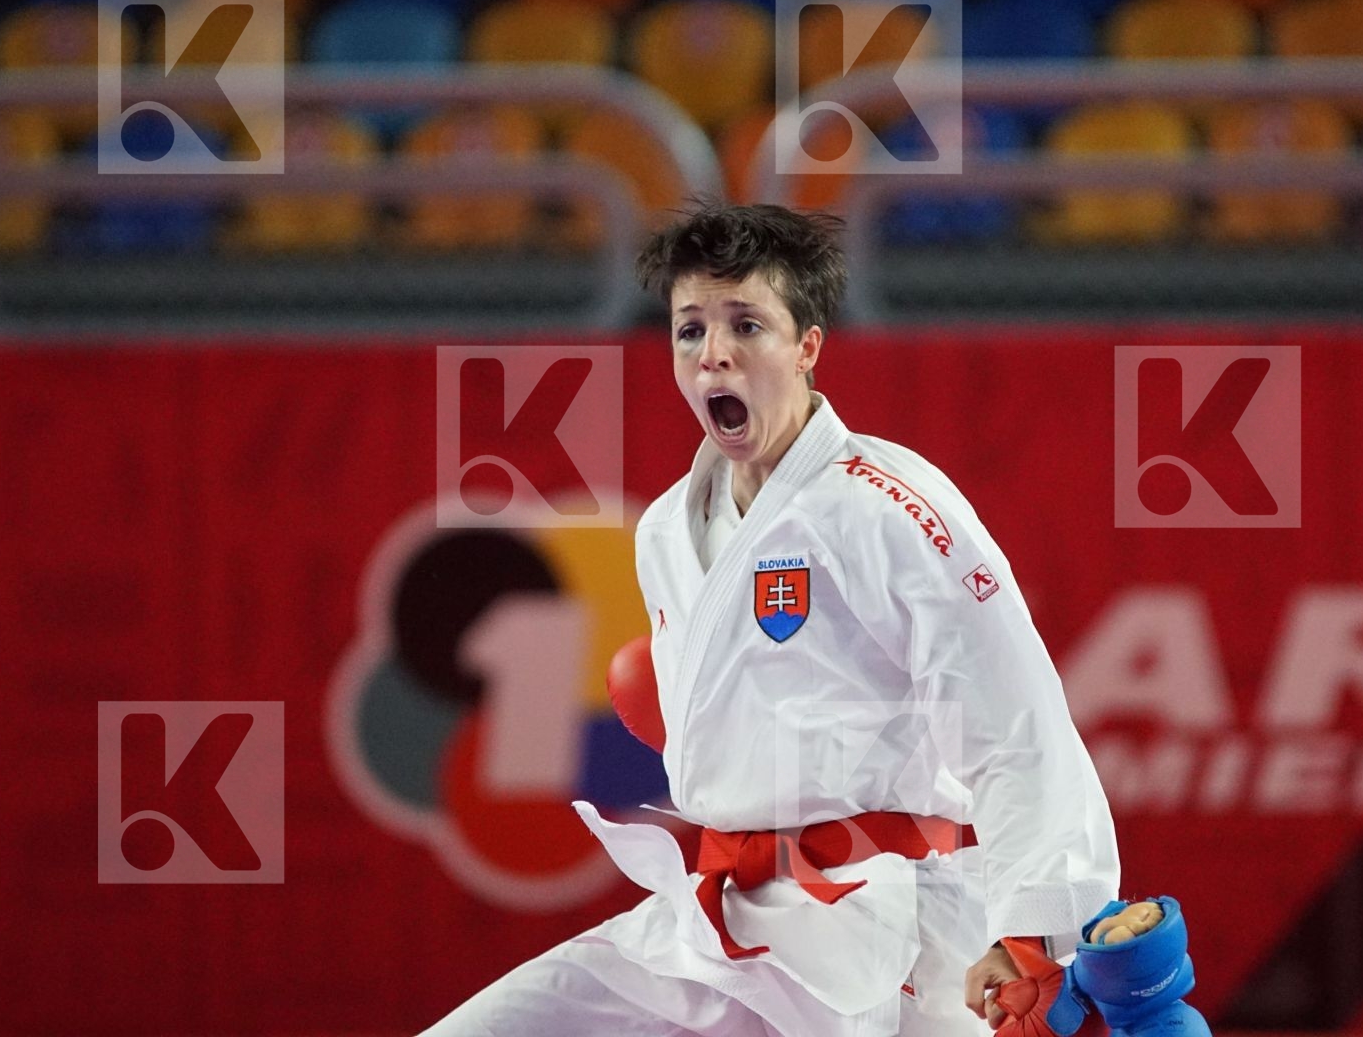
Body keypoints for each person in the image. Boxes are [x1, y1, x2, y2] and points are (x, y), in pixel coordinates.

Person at [421, 203, 1125, 1037]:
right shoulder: (665, 532)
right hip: (719, 919)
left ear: (808, 348)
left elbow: (1015, 720)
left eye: (745, 324)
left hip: (874, 922)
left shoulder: (887, 507)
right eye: (690, 331)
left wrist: (1034, 928)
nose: (712, 353)